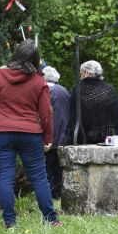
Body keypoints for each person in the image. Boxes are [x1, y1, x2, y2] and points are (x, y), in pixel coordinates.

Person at [0, 40, 62, 229]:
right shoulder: (38, 80)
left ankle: (10, 222)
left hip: (1, 133)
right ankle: (51, 219)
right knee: (39, 177)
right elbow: (46, 113)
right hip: (30, 134)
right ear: (35, 60)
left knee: (5, 177)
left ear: (17, 54)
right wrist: (48, 138)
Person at [67, 60, 118, 144]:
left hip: (81, 138)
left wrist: (69, 135)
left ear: (86, 72)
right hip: (105, 139)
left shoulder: (77, 89)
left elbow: (72, 115)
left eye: (81, 73)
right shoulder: (109, 89)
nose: (80, 76)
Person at [42, 66, 70, 200]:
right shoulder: (64, 90)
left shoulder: (46, 90)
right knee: (59, 167)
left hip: (49, 135)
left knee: (48, 167)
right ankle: (59, 193)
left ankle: (52, 194)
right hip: (63, 135)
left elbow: (44, 114)